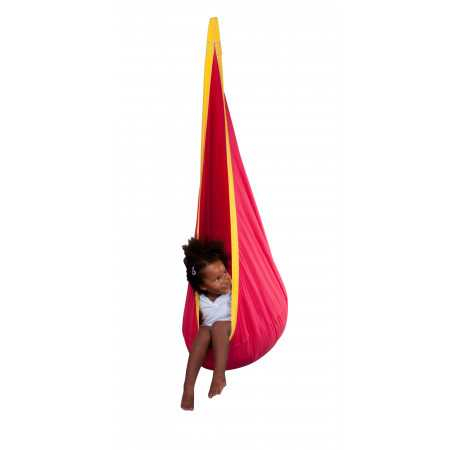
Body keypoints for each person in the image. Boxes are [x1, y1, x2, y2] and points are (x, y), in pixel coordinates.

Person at [180, 237, 232, 411]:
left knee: (217, 326)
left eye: (224, 272)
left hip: (233, 327)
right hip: (211, 333)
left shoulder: (232, 288)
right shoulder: (199, 299)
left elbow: (246, 299)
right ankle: (188, 388)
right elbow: (197, 322)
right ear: (203, 286)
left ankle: (219, 375)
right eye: (217, 279)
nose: (225, 279)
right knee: (203, 331)